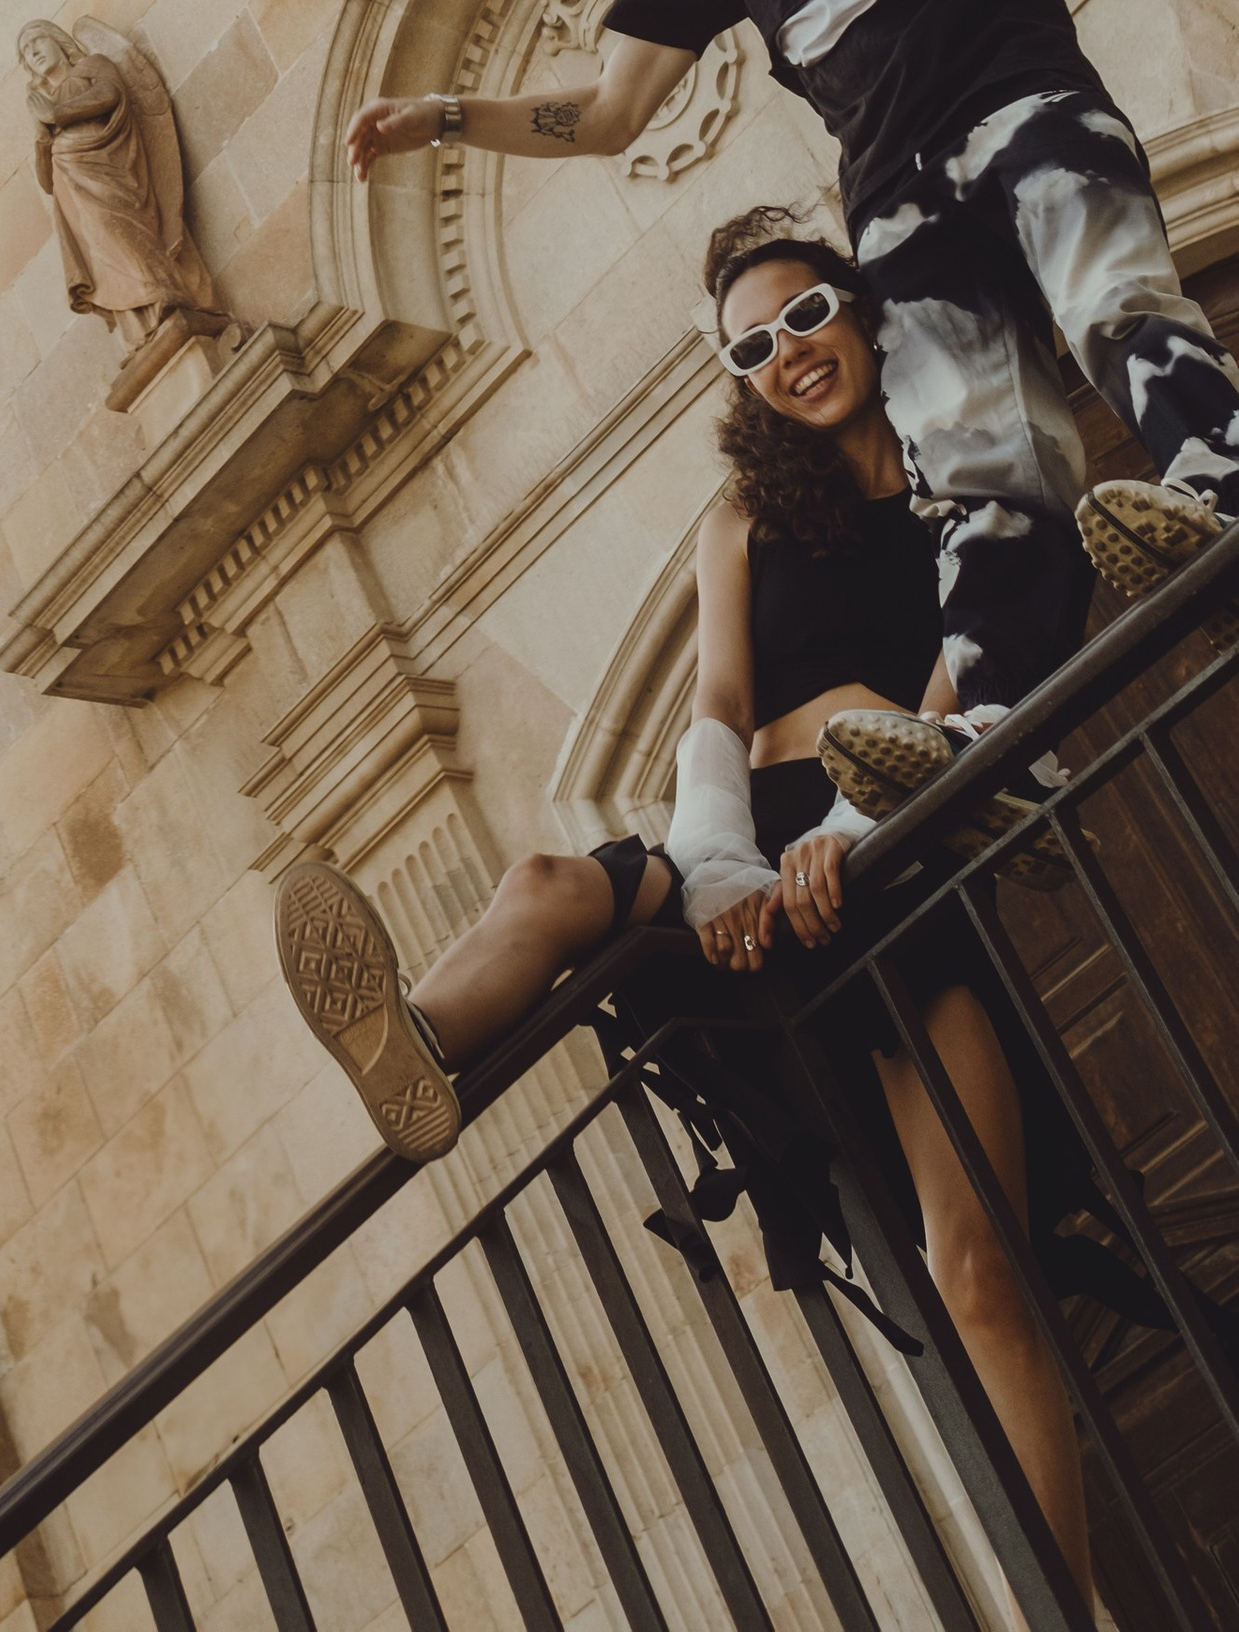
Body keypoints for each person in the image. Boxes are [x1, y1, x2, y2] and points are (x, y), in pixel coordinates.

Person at [275, 214, 1094, 1610]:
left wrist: (854, 825)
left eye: (807, 316)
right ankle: (419, 1044)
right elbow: (715, 706)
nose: (788, 355)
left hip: (887, 853)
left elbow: (968, 669)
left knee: (978, 1278)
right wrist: (719, 860)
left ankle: (1069, 1604)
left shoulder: (962, 476)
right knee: (547, 887)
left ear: (861, 309)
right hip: (739, 854)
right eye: (753, 347)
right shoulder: (744, 522)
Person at [347, 0, 1239, 778]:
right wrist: (447, 117)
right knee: (971, 451)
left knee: (1108, 299)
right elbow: (608, 111)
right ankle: (994, 732)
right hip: (892, 194)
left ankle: (1216, 478)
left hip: (1015, 102)